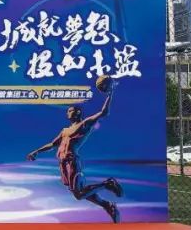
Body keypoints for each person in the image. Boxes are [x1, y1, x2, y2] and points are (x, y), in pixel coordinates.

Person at [26, 84, 123, 222]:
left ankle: (108, 184)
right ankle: (107, 205)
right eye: (68, 111)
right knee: (80, 191)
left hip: (72, 161)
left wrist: (110, 93)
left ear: (77, 112)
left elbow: (103, 112)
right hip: (63, 163)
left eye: (70, 110)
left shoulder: (84, 124)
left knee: (79, 194)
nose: (68, 113)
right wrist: (36, 151)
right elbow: (53, 144)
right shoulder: (65, 130)